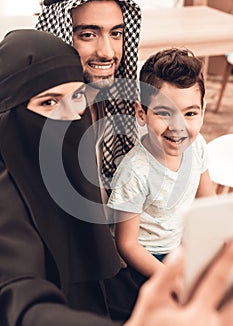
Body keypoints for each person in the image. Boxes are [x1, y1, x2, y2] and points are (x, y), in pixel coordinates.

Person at [0, 29, 233, 326]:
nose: (70, 118)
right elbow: (21, 301)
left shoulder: (195, 149)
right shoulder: (7, 203)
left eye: (76, 100)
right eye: (48, 103)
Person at [107, 48, 216, 279]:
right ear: (141, 113)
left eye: (190, 114)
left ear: (203, 112)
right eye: (164, 113)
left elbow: (208, 204)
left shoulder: (197, 146)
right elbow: (127, 244)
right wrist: (170, 278)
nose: (178, 126)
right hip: (141, 260)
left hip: (177, 249)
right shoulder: (135, 171)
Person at [36, 0, 142, 193]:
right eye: (88, 35)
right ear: (61, 36)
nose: (107, 52)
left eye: (116, 34)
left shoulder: (121, 106)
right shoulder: (38, 119)